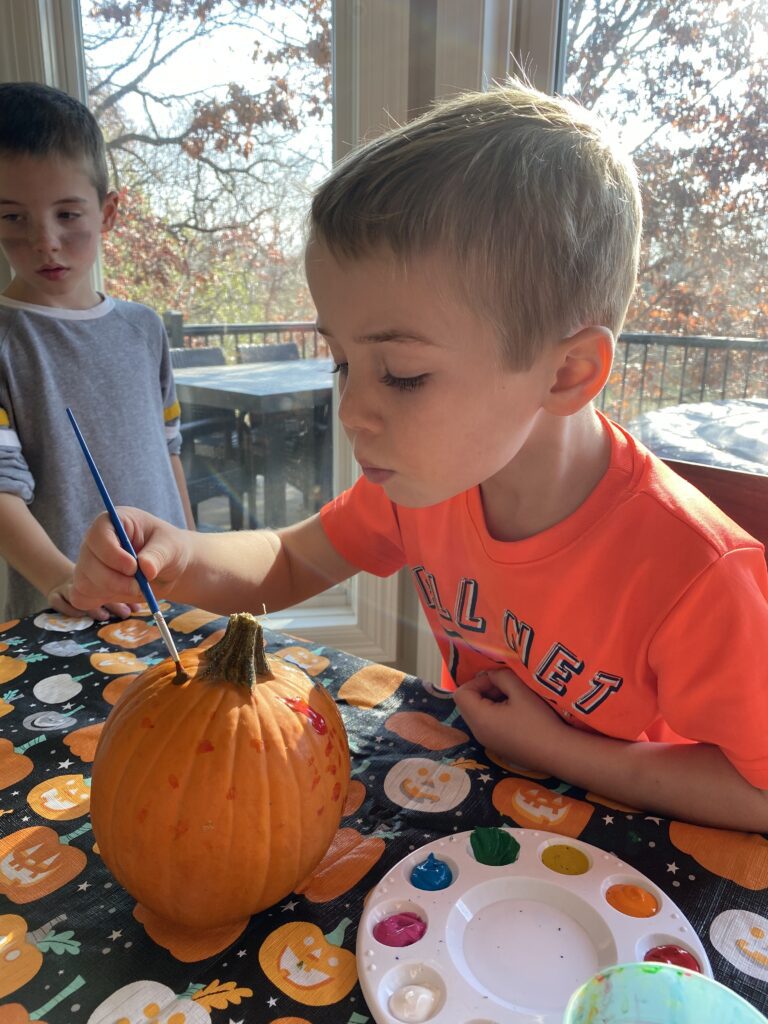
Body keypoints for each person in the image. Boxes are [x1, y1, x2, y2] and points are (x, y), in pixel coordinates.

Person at [71, 80, 768, 831]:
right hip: (478, 808)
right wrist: (177, 552)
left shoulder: (695, 574)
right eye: (341, 362)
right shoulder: (426, 487)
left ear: (567, 373)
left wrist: (558, 750)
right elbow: (288, 560)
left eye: (402, 374)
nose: (353, 412)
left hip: (635, 860)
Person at [0, 82, 194, 621]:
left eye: (67, 214)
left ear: (107, 213)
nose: (45, 241)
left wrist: (196, 550)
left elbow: (169, 451)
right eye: (13, 217)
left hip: (168, 592)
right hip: (67, 607)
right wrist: (62, 577)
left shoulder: (144, 328)